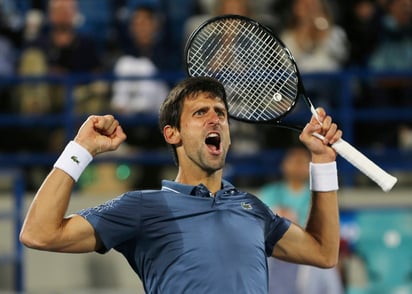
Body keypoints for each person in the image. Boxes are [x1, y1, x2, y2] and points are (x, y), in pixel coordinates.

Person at [20, 76, 343, 293]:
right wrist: (80, 149)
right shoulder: (142, 207)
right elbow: (39, 233)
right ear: (172, 134)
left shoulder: (254, 210)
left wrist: (323, 161)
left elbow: (324, 252)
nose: (215, 118)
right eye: (200, 112)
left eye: (220, 113)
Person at [259, 146, 344, 294]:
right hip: (272, 253)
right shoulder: (269, 192)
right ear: (283, 165)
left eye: (302, 161)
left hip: (305, 252)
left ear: (310, 166)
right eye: (293, 161)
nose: (298, 165)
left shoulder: (318, 196)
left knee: (329, 264)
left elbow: (323, 232)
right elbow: (260, 226)